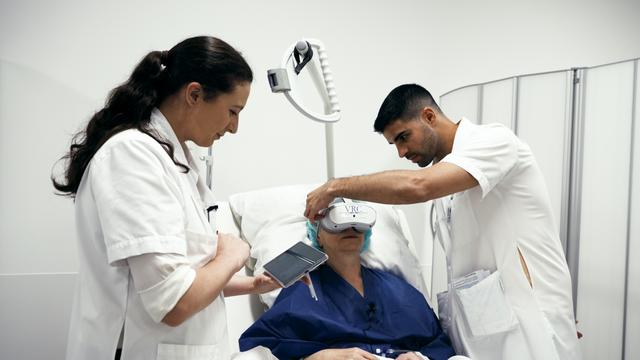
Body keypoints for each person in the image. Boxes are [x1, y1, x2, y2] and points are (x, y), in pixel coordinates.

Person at [304, 84, 581, 359]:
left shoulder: (495, 141)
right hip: (485, 328)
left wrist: (335, 187)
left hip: (530, 320)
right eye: (394, 144)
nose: (401, 152)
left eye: (403, 137)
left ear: (429, 116)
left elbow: (417, 186)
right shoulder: (445, 178)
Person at [52, 36, 279, 360]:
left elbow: (182, 272)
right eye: (232, 111)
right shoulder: (132, 155)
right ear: (194, 94)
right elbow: (172, 301)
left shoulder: (173, 160)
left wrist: (250, 285)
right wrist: (233, 255)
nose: (234, 128)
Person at [239, 199, 457, 360]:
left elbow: (438, 343)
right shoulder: (302, 289)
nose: (350, 229)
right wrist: (320, 357)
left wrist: (418, 356)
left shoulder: (398, 289)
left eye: (356, 225)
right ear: (317, 235)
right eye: (338, 224)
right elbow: (260, 346)